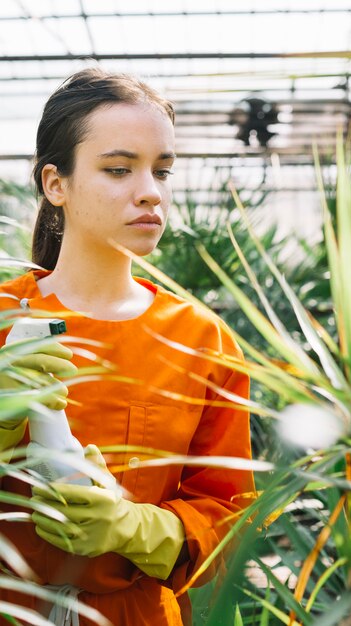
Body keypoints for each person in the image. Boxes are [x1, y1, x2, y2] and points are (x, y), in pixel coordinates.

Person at [0, 68, 255, 625]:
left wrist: (134, 528)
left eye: (162, 171)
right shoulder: (5, 316)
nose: (150, 191)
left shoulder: (200, 337)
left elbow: (230, 512)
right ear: (55, 184)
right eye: (119, 169)